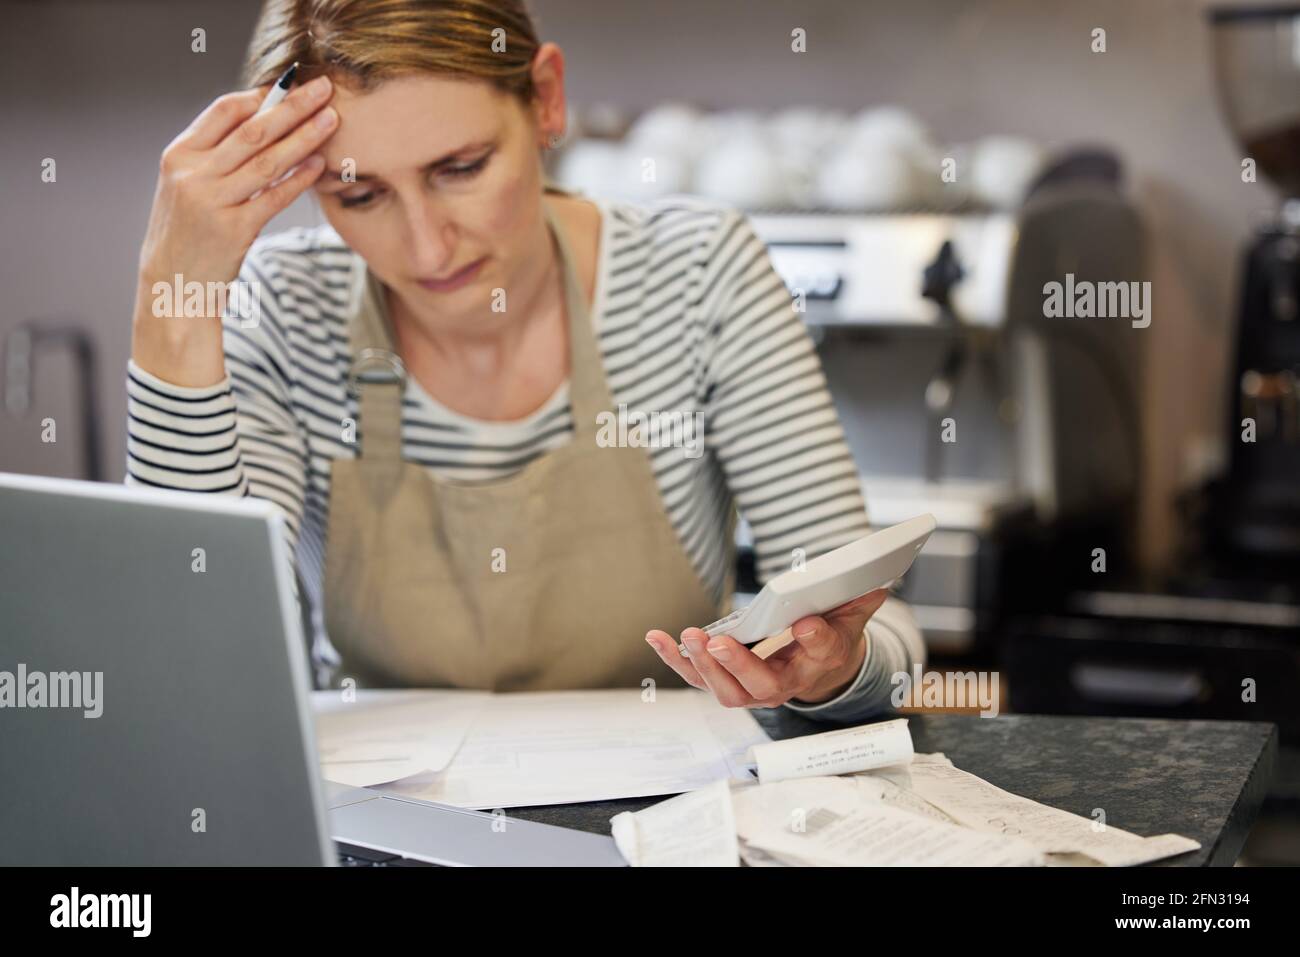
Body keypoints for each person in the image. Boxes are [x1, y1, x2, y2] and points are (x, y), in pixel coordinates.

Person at [126, 0, 924, 720]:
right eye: (359, 196)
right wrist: (174, 297)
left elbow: (881, 636)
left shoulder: (697, 273)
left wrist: (830, 667)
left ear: (545, 99)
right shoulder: (287, 307)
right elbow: (188, 662)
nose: (427, 246)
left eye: (461, 169)